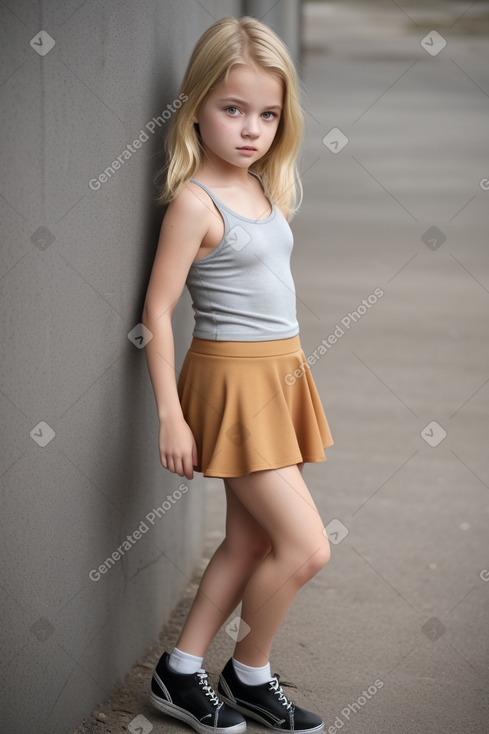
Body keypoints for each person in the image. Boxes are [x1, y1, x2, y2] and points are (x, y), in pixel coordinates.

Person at [142, 15, 334, 734]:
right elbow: (157, 314)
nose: (251, 128)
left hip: (279, 375)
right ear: (196, 108)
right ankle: (247, 671)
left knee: (252, 541)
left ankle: (182, 672)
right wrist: (170, 414)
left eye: (267, 113)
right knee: (307, 547)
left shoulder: (261, 185)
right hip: (231, 386)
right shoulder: (196, 201)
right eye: (232, 109)